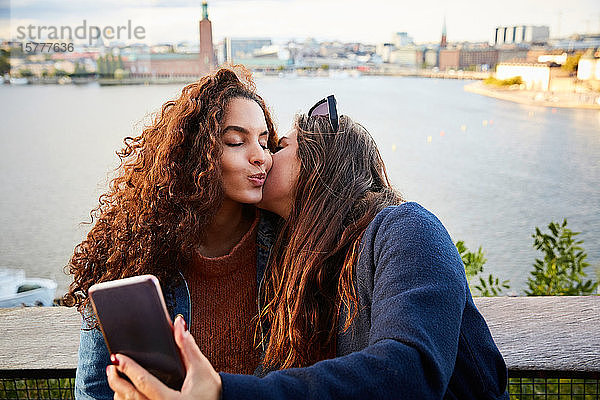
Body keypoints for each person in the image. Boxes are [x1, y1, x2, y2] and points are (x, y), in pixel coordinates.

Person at [106, 95, 510, 399]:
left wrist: (221, 392)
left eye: (277, 146)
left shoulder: (405, 229)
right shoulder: (306, 261)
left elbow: (410, 372)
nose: (263, 158)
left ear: (317, 164)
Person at [66, 67, 282, 400]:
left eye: (265, 142)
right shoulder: (135, 250)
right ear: (194, 154)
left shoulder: (287, 244)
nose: (261, 158)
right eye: (237, 141)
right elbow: (95, 388)